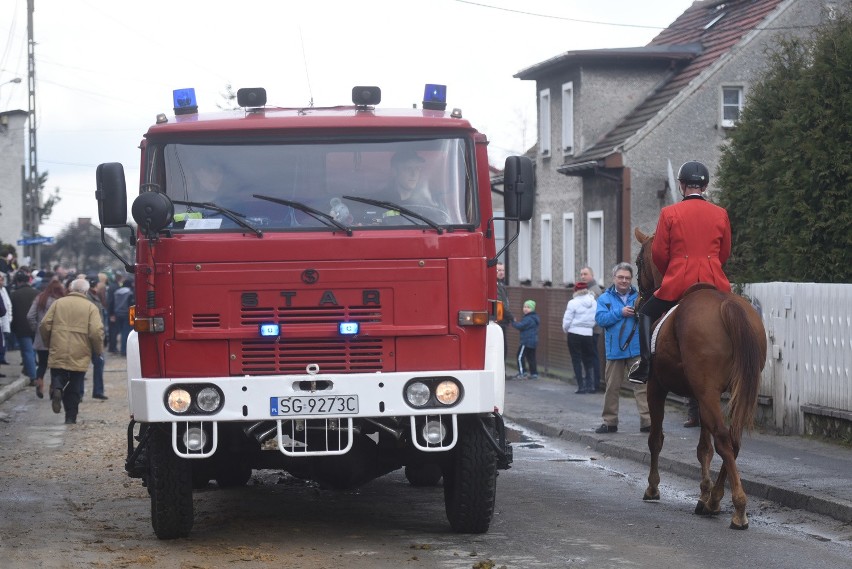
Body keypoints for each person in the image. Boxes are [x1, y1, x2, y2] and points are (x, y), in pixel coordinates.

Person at [629, 160, 731, 383]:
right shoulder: (720, 213)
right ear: (704, 187)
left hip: (678, 282)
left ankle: (645, 365)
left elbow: (659, 254)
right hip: (714, 282)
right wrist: (712, 266)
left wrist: (672, 273)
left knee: (646, 313)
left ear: (681, 185)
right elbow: (724, 252)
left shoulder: (669, 213)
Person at [593, 262, 651, 434]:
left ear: (631, 279)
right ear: (614, 278)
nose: (624, 281)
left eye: (627, 278)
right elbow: (601, 320)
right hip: (615, 351)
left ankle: (647, 422)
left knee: (641, 387)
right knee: (612, 388)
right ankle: (610, 422)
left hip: (636, 349)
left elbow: (649, 318)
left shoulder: (639, 296)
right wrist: (620, 313)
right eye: (620, 277)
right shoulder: (604, 298)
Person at [39, 278, 104, 424]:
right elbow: (95, 331)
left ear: (70, 289)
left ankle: (57, 388)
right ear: (86, 291)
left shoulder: (58, 303)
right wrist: (98, 350)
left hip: (58, 346)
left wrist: (48, 342)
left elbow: (44, 324)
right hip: (80, 350)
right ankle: (70, 416)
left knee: (58, 374)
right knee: (75, 384)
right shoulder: (90, 307)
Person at [27, 278, 66, 399]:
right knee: (55, 365)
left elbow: (30, 316)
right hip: (57, 339)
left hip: (41, 338)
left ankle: (39, 381)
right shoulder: (61, 301)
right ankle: (53, 388)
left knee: (42, 363)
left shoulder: (40, 298)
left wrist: (36, 329)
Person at [562, 282, 597, 393]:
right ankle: (590, 385)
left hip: (574, 333)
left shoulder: (573, 303)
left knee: (576, 360)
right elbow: (596, 318)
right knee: (589, 360)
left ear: (576, 291)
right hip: (588, 334)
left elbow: (567, 320)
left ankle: (581, 386)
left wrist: (566, 329)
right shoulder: (594, 302)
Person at [10, 270, 39, 385]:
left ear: (17, 282)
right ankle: (30, 371)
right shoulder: (37, 293)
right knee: (33, 352)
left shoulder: (13, 295)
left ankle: (33, 376)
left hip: (21, 328)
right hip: (36, 327)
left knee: (27, 352)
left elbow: (11, 312)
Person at [578, 266, 604, 391]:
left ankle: (594, 383)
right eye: (581, 274)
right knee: (587, 355)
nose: (582, 276)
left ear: (592, 275)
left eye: (585, 274)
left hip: (593, 329)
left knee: (591, 355)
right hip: (586, 329)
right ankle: (590, 382)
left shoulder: (594, 290)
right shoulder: (587, 289)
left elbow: (594, 311)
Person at [85, 275, 108, 400]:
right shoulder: (89, 297)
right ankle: (82, 392)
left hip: (95, 334)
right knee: (90, 363)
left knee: (99, 363)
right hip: (90, 335)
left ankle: (98, 391)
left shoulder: (95, 296)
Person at [511, 300, 540, 380]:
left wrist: (513, 322)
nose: (525, 309)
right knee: (531, 357)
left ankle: (522, 372)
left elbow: (520, 326)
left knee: (520, 356)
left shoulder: (528, 319)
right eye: (524, 307)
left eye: (528, 307)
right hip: (533, 341)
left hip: (526, 341)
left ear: (532, 309)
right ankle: (534, 373)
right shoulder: (534, 318)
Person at [108, 275, 133, 356]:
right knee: (126, 332)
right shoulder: (130, 293)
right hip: (126, 314)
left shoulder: (117, 292)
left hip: (117, 314)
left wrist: (111, 313)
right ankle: (124, 350)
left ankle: (118, 349)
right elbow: (131, 304)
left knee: (120, 331)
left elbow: (112, 303)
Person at [495, 263, 514, 360]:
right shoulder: (495, 285)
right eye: (498, 270)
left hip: (502, 320)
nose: (501, 272)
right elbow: (500, 304)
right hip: (499, 321)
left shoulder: (501, 284)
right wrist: (510, 316)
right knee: (502, 348)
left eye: (502, 270)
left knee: (504, 348)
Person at [0, 273, 10, 368]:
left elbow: (7, 305)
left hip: (4, 320)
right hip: (1, 320)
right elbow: (3, 309)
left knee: (3, 343)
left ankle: (2, 358)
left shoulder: (3, 290)